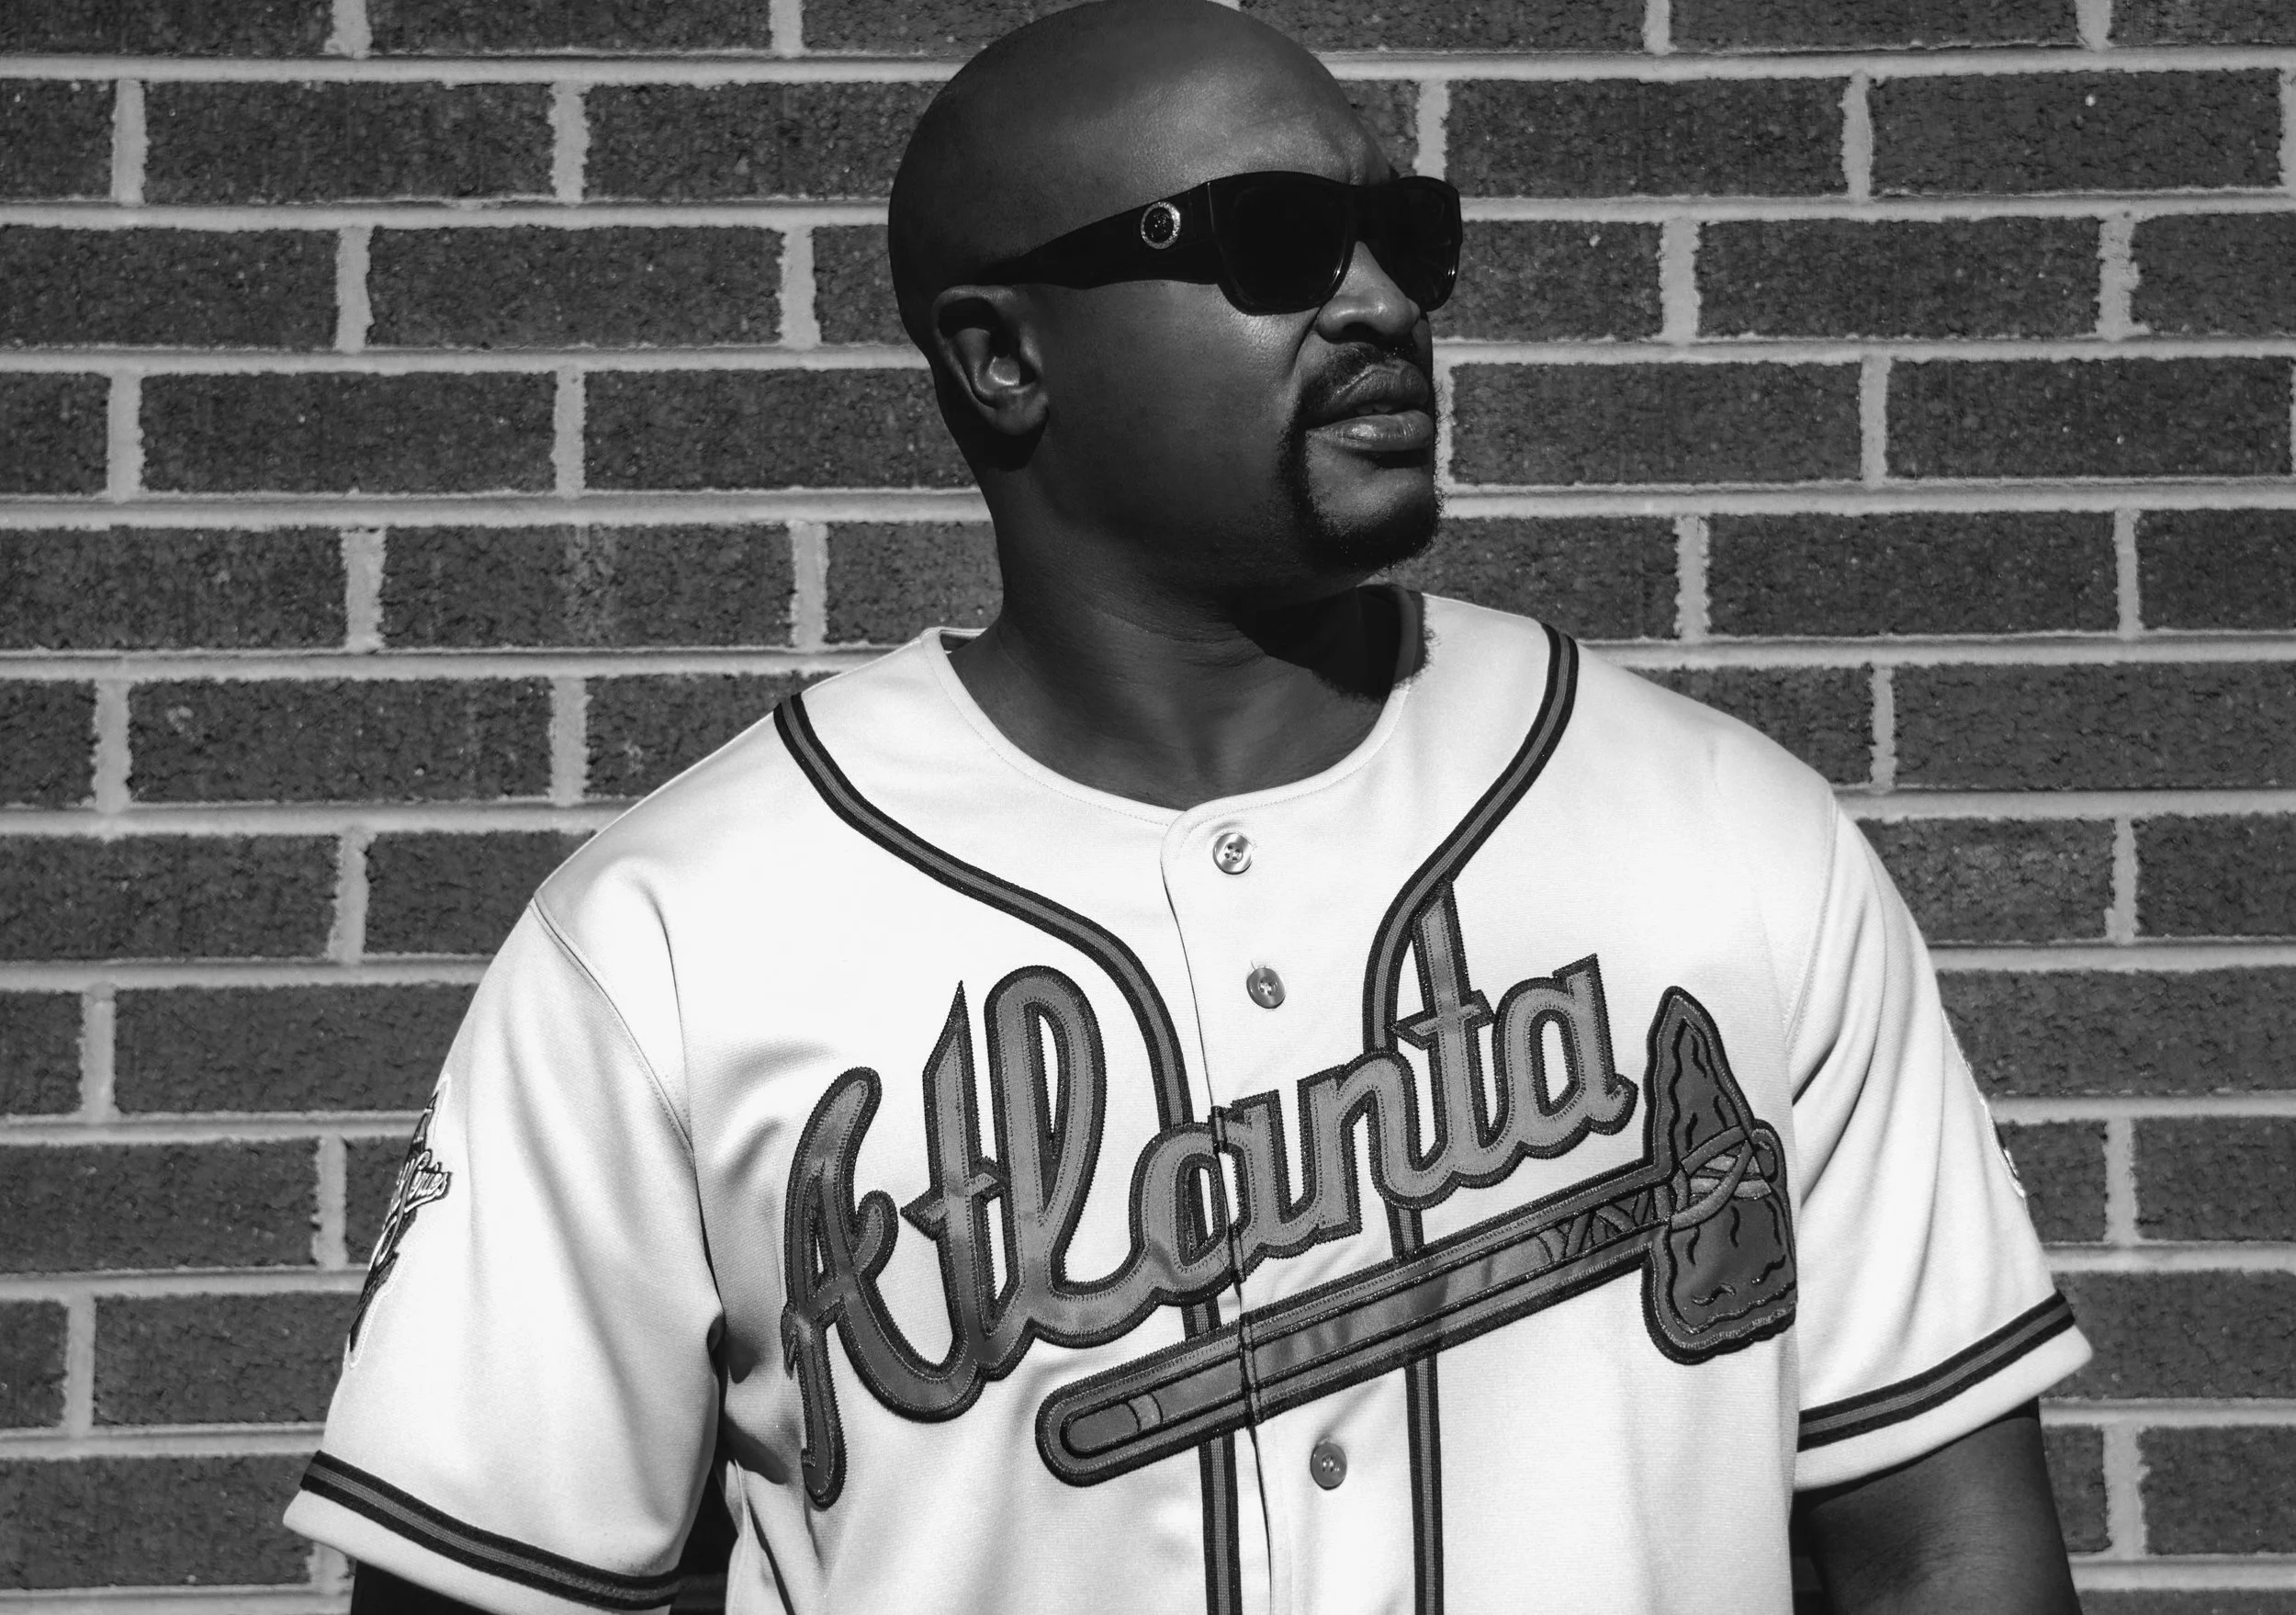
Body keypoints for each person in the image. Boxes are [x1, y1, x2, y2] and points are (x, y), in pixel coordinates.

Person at [289, 4, 2092, 1610]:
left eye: (1401, 238)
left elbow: (1944, 1547)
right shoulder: (673, 935)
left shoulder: (1728, 840)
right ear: (1001, 356)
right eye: (1273, 244)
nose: (1375, 298)